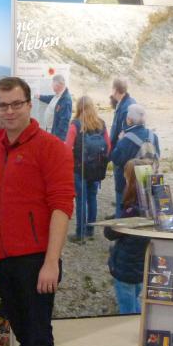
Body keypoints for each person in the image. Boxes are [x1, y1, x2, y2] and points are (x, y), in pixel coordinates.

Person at [0, 77, 75, 346]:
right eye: (3, 105)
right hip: (4, 259)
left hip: (37, 260)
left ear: (28, 104)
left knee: (38, 339)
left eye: (16, 104)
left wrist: (51, 262)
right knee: (24, 336)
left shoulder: (51, 147)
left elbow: (62, 206)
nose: (9, 111)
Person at [104, 158, 154, 314]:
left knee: (127, 309)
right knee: (135, 301)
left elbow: (110, 234)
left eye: (126, 176)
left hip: (126, 268)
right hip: (141, 267)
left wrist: (113, 221)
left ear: (130, 180)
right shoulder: (152, 206)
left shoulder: (131, 210)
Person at [64, 96, 111, 243]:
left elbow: (67, 148)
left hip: (79, 169)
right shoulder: (101, 124)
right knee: (92, 199)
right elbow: (108, 146)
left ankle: (80, 234)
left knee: (81, 200)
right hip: (96, 169)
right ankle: (90, 231)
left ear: (78, 107)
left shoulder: (75, 125)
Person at [110, 104, 159, 217]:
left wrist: (120, 141)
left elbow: (116, 159)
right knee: (147, 212)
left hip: (127, 185)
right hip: (149, 182)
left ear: (129, 120)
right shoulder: (153, 136)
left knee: (123, 214)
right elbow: (157, 156)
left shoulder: (126, 138)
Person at [109, 78, 136, 215]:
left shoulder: (127, 107)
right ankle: (119, 213)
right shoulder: (123, 104)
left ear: (115, 89)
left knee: (121, 188)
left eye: (112, 88)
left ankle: (120, 218)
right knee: (121, 187)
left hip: (123, 154)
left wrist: (116, 152)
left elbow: (125, 134)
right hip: (120, 151)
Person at [37, 74, 73, 141]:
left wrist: (58, 138)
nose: (52, 86)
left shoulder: (66, 100)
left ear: (58, 85)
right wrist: (40, 97)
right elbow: (51, 99)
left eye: (53, 84)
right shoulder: (58, 95)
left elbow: (64, 121)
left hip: (55, 135)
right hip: (50, 130)